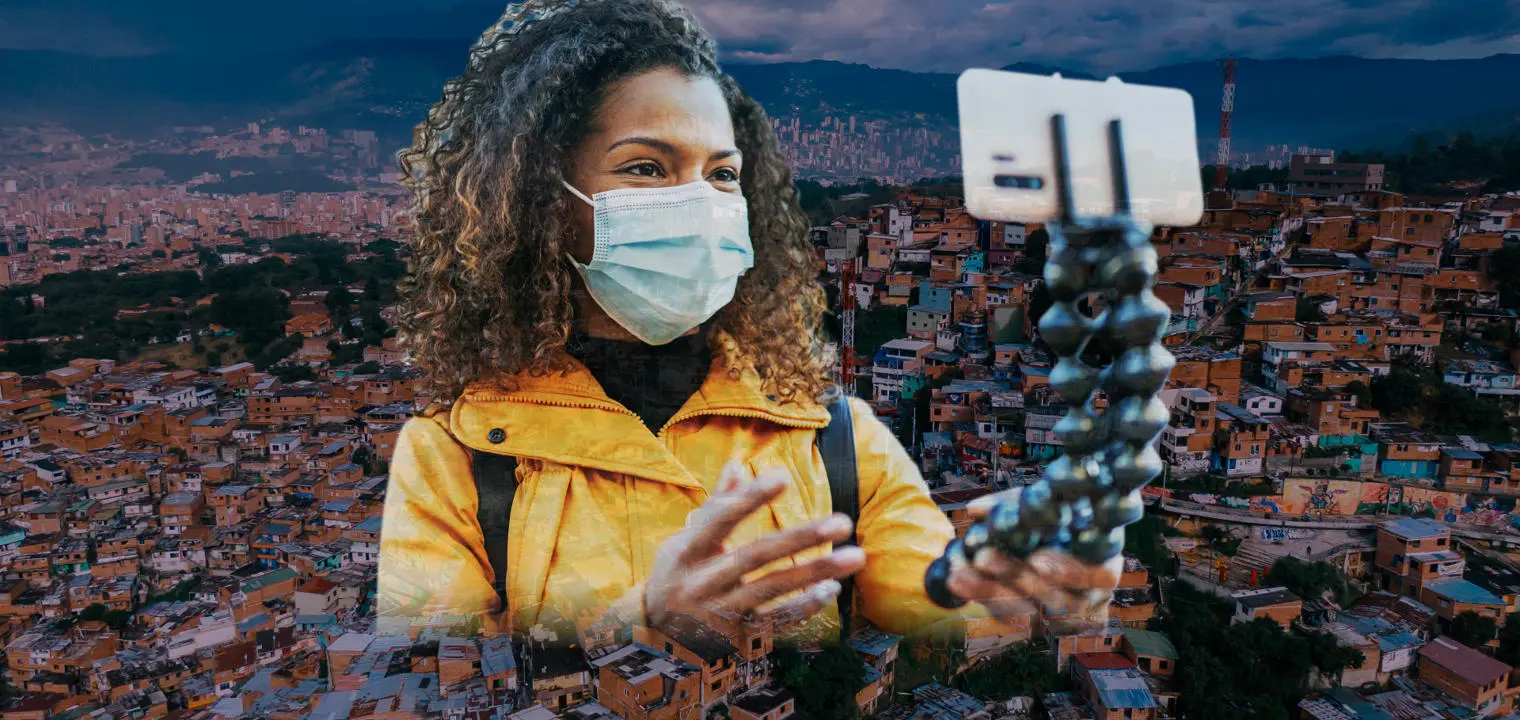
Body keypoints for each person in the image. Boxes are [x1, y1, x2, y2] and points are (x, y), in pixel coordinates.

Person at [379, 0, 1121, 644]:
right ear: (541, 199)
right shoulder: (453, 459)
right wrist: (638, 627)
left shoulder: (835, 438)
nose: (698, 202)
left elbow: (925, 603)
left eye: (722, 174)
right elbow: (427, 685)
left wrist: (1019, 593)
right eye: (645, 168)